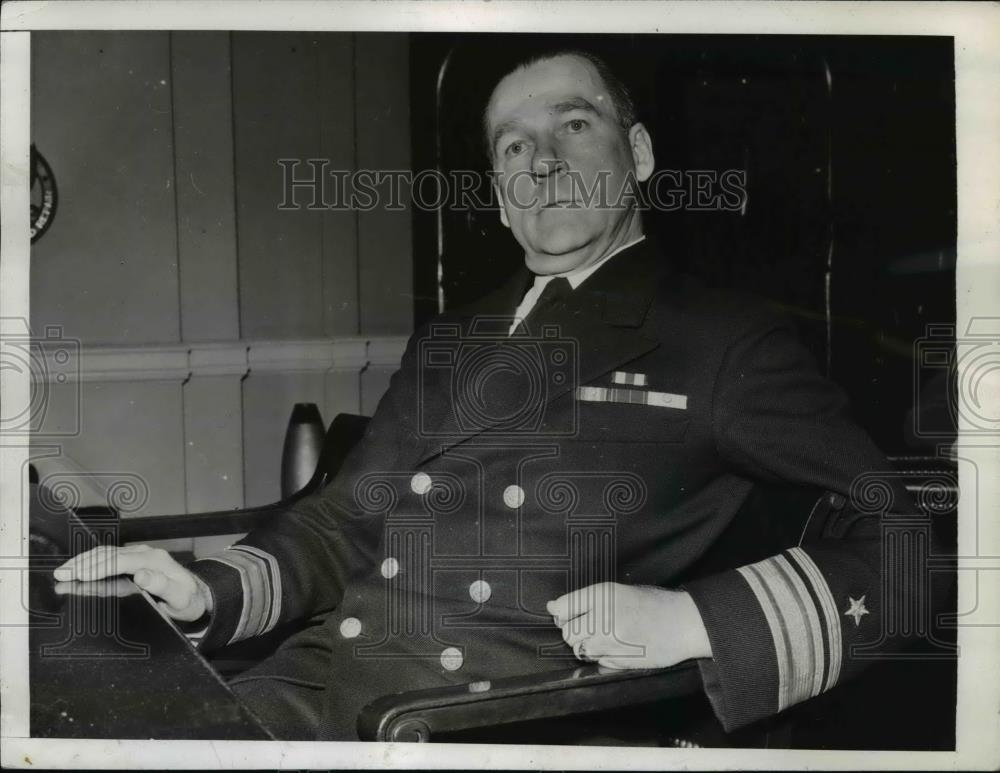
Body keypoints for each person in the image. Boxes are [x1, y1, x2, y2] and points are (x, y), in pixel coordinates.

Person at [55, 47, 920, 742]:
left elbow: (912, 540)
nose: (542, 162)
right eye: (513, 145)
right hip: (317, 686)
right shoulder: (450, 335)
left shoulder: (722, 339)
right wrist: (209, 590)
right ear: (502, 199)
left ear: (641, 155)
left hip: (481, 720)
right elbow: (345, 515)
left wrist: (698, 618)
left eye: (574, 126)